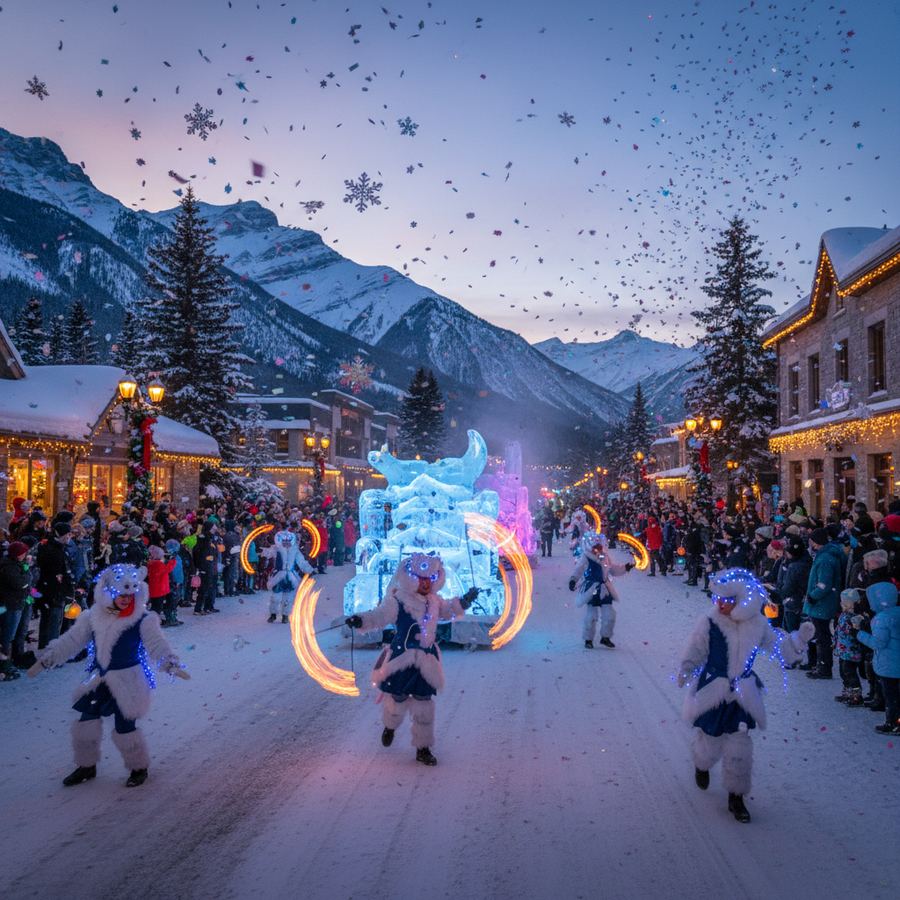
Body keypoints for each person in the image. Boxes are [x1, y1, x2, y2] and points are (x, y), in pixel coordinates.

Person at [27, 563, 188, 787]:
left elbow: (155, 643)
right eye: (119, 593)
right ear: (108, 591)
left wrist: (169, 662)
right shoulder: (94, 617)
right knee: (86, 722)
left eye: (129, 594)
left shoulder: (143, 619)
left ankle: (138, 767)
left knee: (125, 727)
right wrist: (50, 657)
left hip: (129, 681)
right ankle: (86, 766)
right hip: (99, 678)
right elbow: (73, 640)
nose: (124, 598)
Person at [677, 568, 813, 823]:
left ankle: (736, 797)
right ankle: (702, 763)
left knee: (740, 744)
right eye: (717, 599)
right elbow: (696, 647)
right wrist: (686, 668)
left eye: (726, 601)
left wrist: (798, 642)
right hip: (713, 688)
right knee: (710, 737)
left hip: (742, 692)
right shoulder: (709, 621)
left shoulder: (758, 624)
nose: (720, 605)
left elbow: (779, 649)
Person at [345, 553, 479, 766]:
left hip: (427, 663)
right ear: (411, 578)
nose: (426, 584)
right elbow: (379, 616)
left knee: (424, 705)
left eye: (430, 579)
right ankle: (390, 726)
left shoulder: (435, 601)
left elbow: (448, 611)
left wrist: (464, 601)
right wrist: (360, 619)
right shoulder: (398, 600)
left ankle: (423, 748)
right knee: (397, 699)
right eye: (421, 579)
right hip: (402, 659)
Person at [569, 537, 633, 648]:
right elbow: (579, 569)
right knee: (591, 615)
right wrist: (573, 579)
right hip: (591, 588)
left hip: (604, 588)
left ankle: (605, 637)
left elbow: (612, 569)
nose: (598, 549)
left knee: (609, 614)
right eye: (595, 547)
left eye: (599, 547)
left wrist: (626, 567)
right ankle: (588, 639)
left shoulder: (605, 557)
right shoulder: (586, 557)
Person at [854, 581, 900, 734]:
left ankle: (893, 723)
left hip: (889, 665)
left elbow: (878, 643)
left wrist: (859, 634)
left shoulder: (882, 618)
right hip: (896, 663)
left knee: (891, 696)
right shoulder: (897, 613)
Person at [803, 527, 846, 680]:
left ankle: (824, 667)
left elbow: (824, 583)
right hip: (823, 602)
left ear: (816, 542)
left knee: (822, 636)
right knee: (821, 635)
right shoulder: (825, 556)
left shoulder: (825, 559)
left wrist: (813, 596)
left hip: (822, 603)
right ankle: (821, 664)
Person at [35, 521, 74, 648]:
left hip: (56, 590)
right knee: (53, 621)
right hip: (53, 591)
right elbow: (53, 571)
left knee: (51, 620)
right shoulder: (51, 549)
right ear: (61, 535)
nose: (69, 537)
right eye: (67, 534)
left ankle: (46, 646)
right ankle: (51, 648)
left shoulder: (60, 548)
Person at [264, 530, 313, 623]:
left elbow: (301, 562)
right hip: (278, 576)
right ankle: (273, 614)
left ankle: (285, 615)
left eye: (288, 541)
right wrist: (265, 553)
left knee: (288, 598)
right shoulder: (276, 549)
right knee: (275, 597)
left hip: (290, 577)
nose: (286, 543)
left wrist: (308, 569)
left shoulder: (295, 551)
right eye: (284, 541)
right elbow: (267, 554)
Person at [0, 542, 31, 681]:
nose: (25, 556)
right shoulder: (9, 567)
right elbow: (21, 583)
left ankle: (7, 662)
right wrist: (27, 573)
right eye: (22, 553)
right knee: (7, 636)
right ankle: (4, 665)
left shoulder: (16, 565)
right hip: (11, 605)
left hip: (16, 603)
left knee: (10, 636)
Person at [834, 590, 864, 706]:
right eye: (843, 603)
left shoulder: (856, 617)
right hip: (842, 650)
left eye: (847, 603)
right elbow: (838, 629)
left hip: (852, 651)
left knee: (850, 672)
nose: (844, 605)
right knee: (843, 672)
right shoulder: (843, 615)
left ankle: (856, 695)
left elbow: (856, 633)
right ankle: (847, 692)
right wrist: (835, 641)